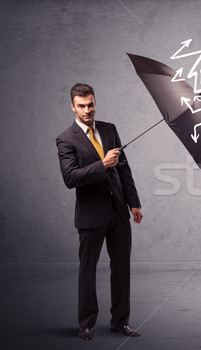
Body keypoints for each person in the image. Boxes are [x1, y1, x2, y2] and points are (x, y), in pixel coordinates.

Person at [56, 83, 143, 340]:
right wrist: (102, 164)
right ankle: (86, 324)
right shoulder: (66, 139)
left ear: (95, 103)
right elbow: (70, 177)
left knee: (122, 268)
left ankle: (120, 321)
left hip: (118, 211)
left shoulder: (109, 129)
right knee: (88, 270)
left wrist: (133, 203)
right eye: (81, 106)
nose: (87, 110)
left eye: (90, 104)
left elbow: (124, 169)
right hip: (91, 214)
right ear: (72, 107)